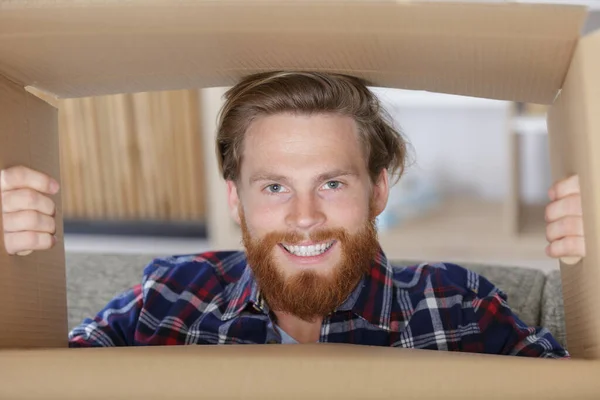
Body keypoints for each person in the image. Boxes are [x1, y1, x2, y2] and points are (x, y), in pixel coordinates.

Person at [0, 71, 585, 356]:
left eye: (332, 182)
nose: (305, 217)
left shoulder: (459, 309)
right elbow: (39, 382)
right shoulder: (168, 299)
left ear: (379, 190)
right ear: (236, 200)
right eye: (275, 186)